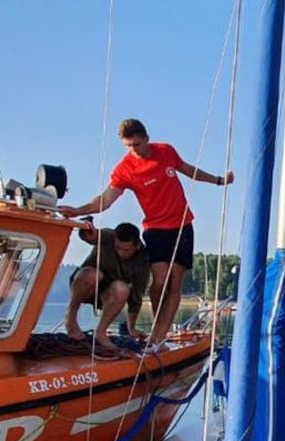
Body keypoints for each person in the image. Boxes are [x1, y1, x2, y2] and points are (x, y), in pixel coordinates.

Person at [57, 118, 233, 347]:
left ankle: (160, 334)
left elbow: (189, 170)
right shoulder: (125, 169)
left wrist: (218, 180)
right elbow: (106, 199)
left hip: (182, 225)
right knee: (160, 281)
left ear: (147, 138)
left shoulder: (165, 151)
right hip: (155, 228)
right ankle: (155, 330)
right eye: (128, 146)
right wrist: (78, 210)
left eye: (137, 144)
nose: (133, 150)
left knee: (175, 281)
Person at [64, 222, 150, 348]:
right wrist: (86, 233)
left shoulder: (143, 261)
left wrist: (131, 328)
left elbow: (136, 296)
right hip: (84, 284)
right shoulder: (108, 236)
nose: (120, 253)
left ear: (137, 246)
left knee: (122, 288)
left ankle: (101, 332)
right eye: (117, 248)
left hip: (107, 294)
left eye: (126, 250)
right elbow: (92, 237)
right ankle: (70, 319)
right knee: (94, 274)